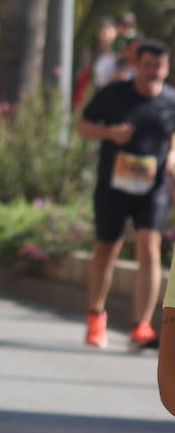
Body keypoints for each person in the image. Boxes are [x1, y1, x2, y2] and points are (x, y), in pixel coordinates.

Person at [77, 40, 175, 351]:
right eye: (147, 65)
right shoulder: (115, 94)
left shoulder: (172, 100)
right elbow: (82, 126)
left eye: (159, 67)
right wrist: (109, 133)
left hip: (153, 187)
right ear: (137, 65)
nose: (153, 72)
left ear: (167, 68)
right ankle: (95, 316)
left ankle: (141, 325)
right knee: (106, 249)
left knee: (149, 247)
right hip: (113, 185)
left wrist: (173, 155)